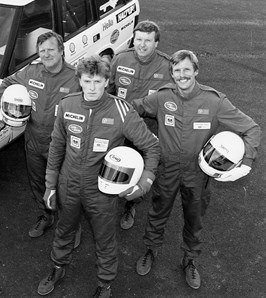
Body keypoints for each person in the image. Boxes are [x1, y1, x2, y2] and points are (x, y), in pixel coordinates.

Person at [132, 50, 261, 290]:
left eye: (186, 70)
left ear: (196, 71)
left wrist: (246, 162)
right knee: (158, 212)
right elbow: (132, 109)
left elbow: (251, 128)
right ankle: (151, 249)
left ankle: (189, 260)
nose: (182, 75)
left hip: (197, 174)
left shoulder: (214, 101)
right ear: (171, 74)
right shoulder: (162, 97)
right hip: (167, 170)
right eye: (177, 70)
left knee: (194, 219)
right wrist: (141, 136)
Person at [37, 56, 160, 297]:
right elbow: (56, 146)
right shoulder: (66, 105)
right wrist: (50, 185)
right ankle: (58, 267)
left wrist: (145, 182)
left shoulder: (122, 111)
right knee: (63, 230)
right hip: (68, 184)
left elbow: (152, 147)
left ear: (107, 82)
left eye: (97, 81)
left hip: (102, 190)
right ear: (79, 81)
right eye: (87, 81)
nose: (92, 87)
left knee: (105, 239)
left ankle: (105, 284)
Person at [0, 31, 80, 238]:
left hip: (63, 145)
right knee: (38, 182)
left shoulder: (75, 77)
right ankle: (46, 216)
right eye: (42, 51)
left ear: (61, 51)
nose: (47, 54)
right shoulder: (31, 72)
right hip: (33, 142)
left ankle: (72, 226)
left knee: (66, 188)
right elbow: (7, 83)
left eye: (51, 50)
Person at [107, 20, 172, 230]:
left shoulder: (167, 66)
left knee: (138, 167)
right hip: (118, 124)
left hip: (146, 128)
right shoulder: (120, 59)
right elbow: (108, 89)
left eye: (148, 40)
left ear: (156, 43)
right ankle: (106, 199)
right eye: (139, 39)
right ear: (133, 40)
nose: (142, 45)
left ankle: (130, 204)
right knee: (111, 162)